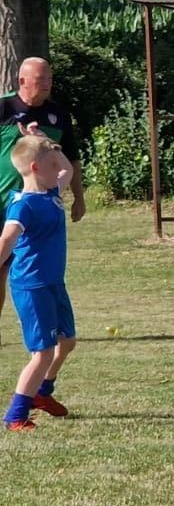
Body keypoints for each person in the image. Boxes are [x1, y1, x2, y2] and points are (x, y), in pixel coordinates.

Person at [1, 137, 78, 431]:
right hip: (31, 287)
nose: (58, 167)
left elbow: (67, 171)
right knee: (43, 352)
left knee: (67, 342)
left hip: (54, 284)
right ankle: (15, 415)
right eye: (51, 164)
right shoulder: (23, 205)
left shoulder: (51, 194)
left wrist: (52, 148)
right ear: (35, 168)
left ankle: (41, 394)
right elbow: (7, 240)